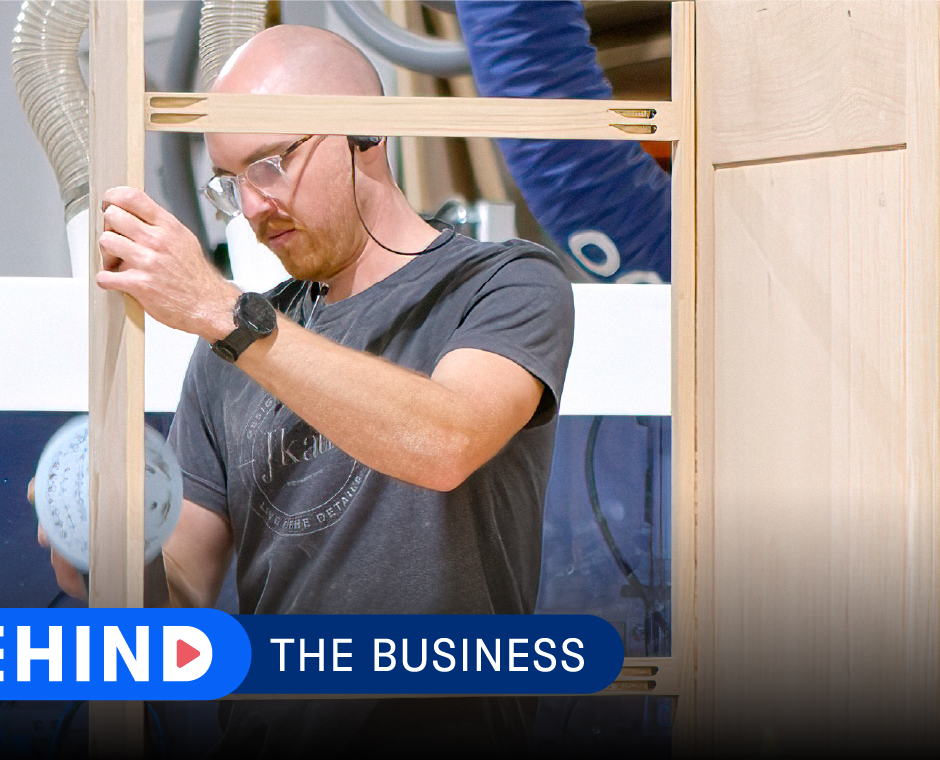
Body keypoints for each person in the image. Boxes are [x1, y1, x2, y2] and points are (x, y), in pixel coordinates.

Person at [38, 23, 574, 755]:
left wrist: (221, 310)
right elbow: (182, 595)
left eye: (269, 164)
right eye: (231, 182)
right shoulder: (233, 351)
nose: (254, 206)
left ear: (364, 133)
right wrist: (103, 547)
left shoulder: (502, 284)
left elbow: (445, 441)